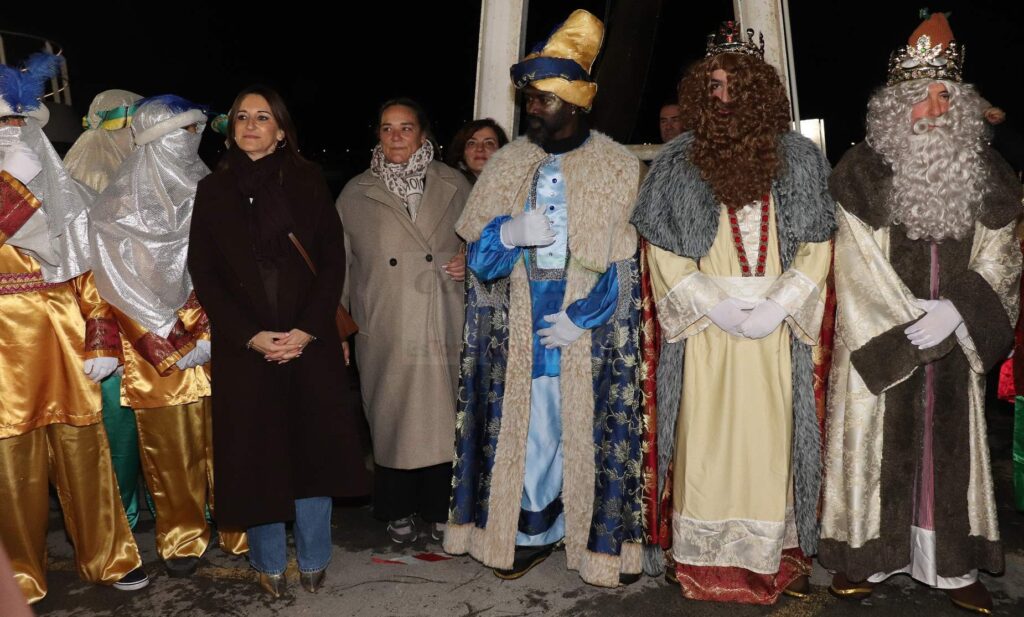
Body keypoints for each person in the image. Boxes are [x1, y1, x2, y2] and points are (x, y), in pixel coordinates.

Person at [820, 14, 1021, 615]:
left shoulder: (989, 175)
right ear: (893, 106)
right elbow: (852, 265)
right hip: (883, 345)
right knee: (878, 450)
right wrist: (912, 325)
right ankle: (871, 558)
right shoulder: (858, 174)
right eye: (919, 96)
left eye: (944, 95)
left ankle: (951, 566)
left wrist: (960, 313)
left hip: (956, 345)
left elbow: (1004, 257)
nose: (933, 108)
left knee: (950, 449)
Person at [631, 21, 835, 604]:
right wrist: (715, 307)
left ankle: (771, 559)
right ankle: (703, 561)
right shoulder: (677, 163)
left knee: (773, 443)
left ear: (760, 92)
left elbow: (818, 243)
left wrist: (779, 306)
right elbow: (663, 250)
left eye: (735, 87)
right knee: (706, 440)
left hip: (773, 330)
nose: (724, 98)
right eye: (714, 87)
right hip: (708, 331)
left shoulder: (799, 158)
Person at [446, 9, 647, 587]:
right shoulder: (508, 163)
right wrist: (507, 234)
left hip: (589, 323)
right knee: (532, 430)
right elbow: (481, 264)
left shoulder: (617, 166)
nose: (532, 109)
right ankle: (532, 533)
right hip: (521, 320)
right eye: (528, 99)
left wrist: (583, 318)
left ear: (577, 102)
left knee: (588, 430)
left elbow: (626, 260)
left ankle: (598, 541)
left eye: (544, 100)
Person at [188, 85, 368, 598]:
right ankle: (267, 564)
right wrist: (250, 335)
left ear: (281, 129)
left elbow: (332, 259)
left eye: (262, 117)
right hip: (245, 348)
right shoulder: (213, 191)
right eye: (241, 117)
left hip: (306, 341)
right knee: (255, 456)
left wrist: (308, 330)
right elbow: (205, 272)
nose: (250, 125)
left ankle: (314, 558)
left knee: (312, 453)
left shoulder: (308, 182)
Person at [0, 52, 147, 603]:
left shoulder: (62, 193)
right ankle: (20, 575)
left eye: (20, 123)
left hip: (66, 344)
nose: (12, 133)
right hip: (4, 352)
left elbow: (89, 273)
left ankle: (108, 556)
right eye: (1, 123)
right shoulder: (17, 180)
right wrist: (10, 182)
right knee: (12, 470)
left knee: (87, 455)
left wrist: (103, 335)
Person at [89, 95, 249, 577]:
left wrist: (214, 326)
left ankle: (240, 525)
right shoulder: (116, 204)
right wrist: (170, 334)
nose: (191, 140)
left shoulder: (215, 191)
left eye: (196, 130)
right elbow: (115, 280)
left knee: (232, 437)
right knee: (170, 446)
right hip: (156, 346)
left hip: (218, 339)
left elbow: (235, 267)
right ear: (157, 140)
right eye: (182, 132)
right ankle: (182, 535)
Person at [337, 97, 469, 545]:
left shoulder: (455, 184)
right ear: (377, 134)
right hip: (387, 324)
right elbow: (341, 265)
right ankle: (396, 510)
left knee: (440, 419)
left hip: (442, 317)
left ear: (423, 133)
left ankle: (437, 510)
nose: (396, 136)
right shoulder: (355, 193)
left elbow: (485, 239)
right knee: (392, 420)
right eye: (387, 127)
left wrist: (469, 260)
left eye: (405, 127)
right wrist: (341, 329)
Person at [64, 88, 146, 530]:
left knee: (138, 424)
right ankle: (119, 523)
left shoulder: (130, 171)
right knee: (114, 429)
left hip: (138, 324)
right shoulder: (90, 180)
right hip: (107, 332)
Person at [444, 118, 509, 184]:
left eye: (489, 143)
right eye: (472, 143)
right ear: (462, 152)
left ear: (501, 150)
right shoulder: (451, 186)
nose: (480, 149)